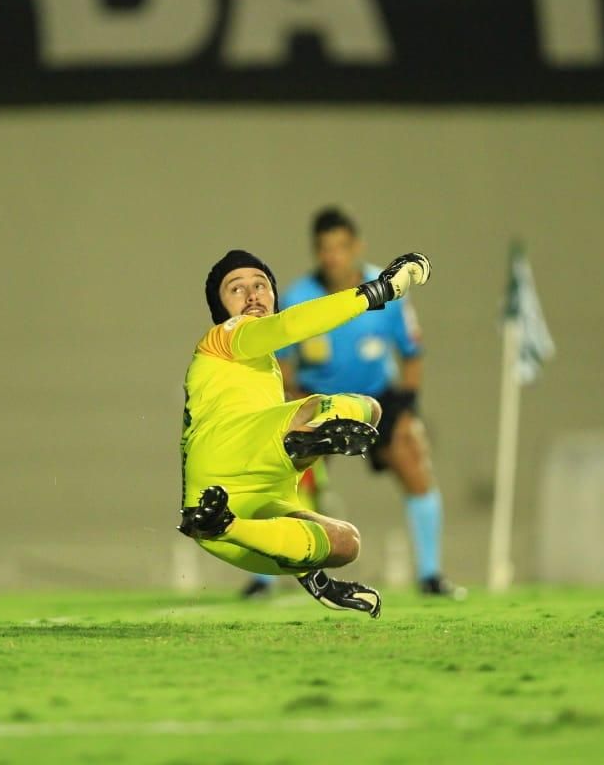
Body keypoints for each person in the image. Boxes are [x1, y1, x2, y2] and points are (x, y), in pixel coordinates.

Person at [178, 248, 431, 618]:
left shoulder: (265, 368)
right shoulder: (226, 336)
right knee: (355, 408)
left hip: (231, 526)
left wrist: (318, 582)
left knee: (347, 542)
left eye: (261, 285)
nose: (252, 295)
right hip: (223, 470)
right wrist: (374, 293)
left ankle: (227, 523)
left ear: (274, 295)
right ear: (220, 308)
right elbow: (289, 326)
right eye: (236, 288)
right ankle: (306, 443)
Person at [264, 208, 456, 597]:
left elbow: (412, 352)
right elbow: (281, 363)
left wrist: (407, 405)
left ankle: (431, 575)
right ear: (316, 253)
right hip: (323, 402)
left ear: (356, 247)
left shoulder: (388, 290)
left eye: (341, 247)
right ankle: (261, 579)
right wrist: (297, 405)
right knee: (279, 476)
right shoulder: (299, 298)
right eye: (325, 249)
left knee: (413, 457)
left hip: (375, 400)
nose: (333, 256)